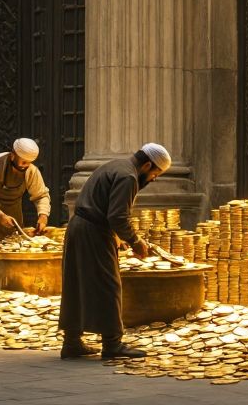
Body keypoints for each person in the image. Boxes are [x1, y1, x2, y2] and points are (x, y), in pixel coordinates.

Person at [58, 142, 169, 359]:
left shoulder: (116, 165)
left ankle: (71, 342)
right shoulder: (129, 177)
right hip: (93, 232)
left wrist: (117, 237)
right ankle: (112, 344)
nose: (155, 178)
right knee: (109, 284)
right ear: (147, 165)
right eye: (156, 173)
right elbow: (117, 216)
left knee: (76, 283)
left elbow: (104, 207)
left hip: (78, 226)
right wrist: (136, 241)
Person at [0, 137, 52, 288]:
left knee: (13, 273)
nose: (25, 166)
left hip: (13, 225)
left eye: (29, 162)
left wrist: (43, 216)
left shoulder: (31, 171)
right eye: (23, 162)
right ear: (12, 154)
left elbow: (41, 195)